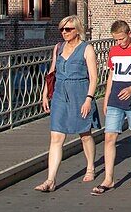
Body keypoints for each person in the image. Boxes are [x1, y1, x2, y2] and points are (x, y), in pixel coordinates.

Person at [36, 15, 100, 192]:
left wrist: (89, 99)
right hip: (59, 94)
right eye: (62, 29)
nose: (64, 32)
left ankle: (90, 167)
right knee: (56, 137)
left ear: (77, 30)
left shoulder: (87, 49)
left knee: (84, 133)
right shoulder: (58, 48)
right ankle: (50, 179)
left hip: (79, 91)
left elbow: (94, 77)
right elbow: (52, 72)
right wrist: (45, 94)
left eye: (68, 29)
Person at [93, 20, 131, 194]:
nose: (119, 43)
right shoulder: (113, 51)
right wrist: (106, 99)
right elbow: (111, 75)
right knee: (109, 137)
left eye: (121, 39)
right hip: (115, 100)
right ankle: (108, 178)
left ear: (129, 34)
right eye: (116, 40)